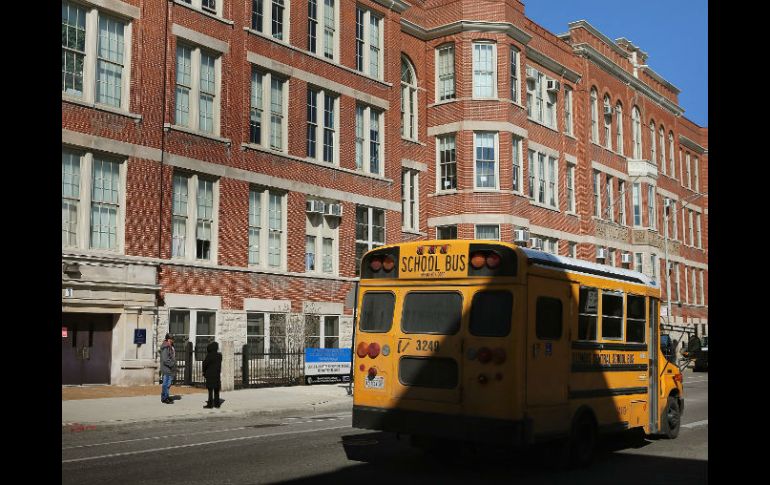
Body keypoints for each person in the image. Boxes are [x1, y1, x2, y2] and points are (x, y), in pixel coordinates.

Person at [202, 341, 222, 409]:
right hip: (217, 374)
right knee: (216, 390)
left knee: (210, 391)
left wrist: (204, 372)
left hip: (210, 375)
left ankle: (210, 404)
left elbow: (204, 364)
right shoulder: (219, 356)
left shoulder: (209, 355)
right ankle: (217, 404)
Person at [160, 334, 176, 404]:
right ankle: (165, 398)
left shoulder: (169, 346)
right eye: (172, 339)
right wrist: (172, 364)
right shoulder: (166, 347)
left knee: (168, 383)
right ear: (169, 339)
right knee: (166, 384)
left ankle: (166, 396)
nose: (173, 341)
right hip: (166, 368)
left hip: (169, 368)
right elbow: (165, 359)